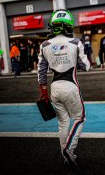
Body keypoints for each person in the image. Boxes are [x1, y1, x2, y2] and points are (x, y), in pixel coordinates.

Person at [37, 9, 90, 168]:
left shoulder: (44, 45)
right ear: (68, 26)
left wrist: (44, 94)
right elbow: (85, 66)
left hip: (54, 89)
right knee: (80, 118)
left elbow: (41, 72)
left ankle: (68, 157)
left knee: (63, 123)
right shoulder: (75, 42)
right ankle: (69, 148)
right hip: (71, 87)